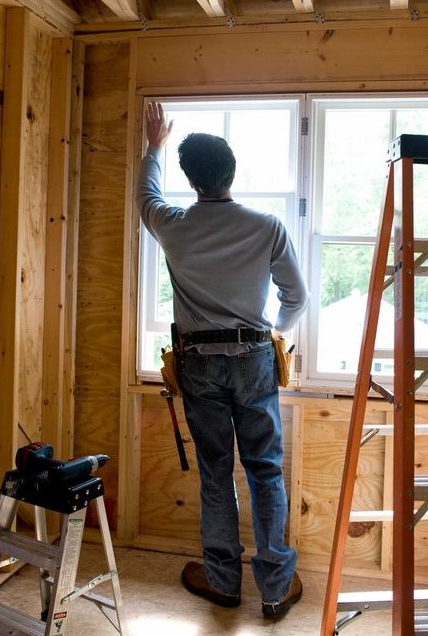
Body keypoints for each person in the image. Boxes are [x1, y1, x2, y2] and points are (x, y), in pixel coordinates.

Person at [136, 102, 309, 618]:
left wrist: (155, 146)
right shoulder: (267, 226)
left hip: (199, 362)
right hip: (254, 356)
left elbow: (146, 195)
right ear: (232, 172)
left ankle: (224, 582)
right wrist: (273, 333)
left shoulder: (173, 224)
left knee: (216, 472)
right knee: (265, 471)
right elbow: (295, 298)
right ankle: (275, 589)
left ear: (192, 181)